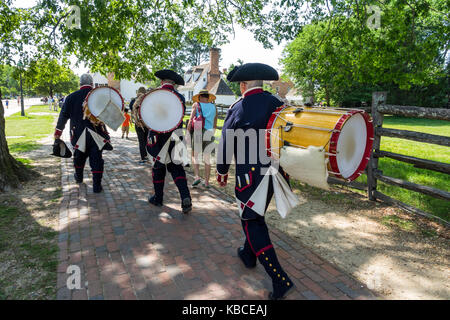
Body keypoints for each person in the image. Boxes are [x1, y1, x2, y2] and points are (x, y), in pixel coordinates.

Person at [216, 63, 295, 300]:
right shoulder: (278, 105)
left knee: (253, 222)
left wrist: (221, 170)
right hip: (275, 172)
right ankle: (248, 255)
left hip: (249, 176)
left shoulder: (238, 107)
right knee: (255, 215)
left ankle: (280, 280)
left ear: (243, 85)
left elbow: (226, 142)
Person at [54, 74, 112, 193]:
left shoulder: (70, 97)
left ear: (79, 84)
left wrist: (58, 132)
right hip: (97, 134)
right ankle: (97, 186)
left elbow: (63, 116)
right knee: (96, 159)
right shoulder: (99, 97)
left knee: (79, 157)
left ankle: (79, 177)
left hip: (78, 133)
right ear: (92, 84)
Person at [146, 69, 192, 214]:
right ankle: (186, 198)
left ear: (162, 82)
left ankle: (158, 199)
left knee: (158, 168)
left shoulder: (153, 96)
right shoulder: (180, 98)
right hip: (175, 138)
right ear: (174, 84)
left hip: (158, 138)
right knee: (177, 169)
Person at [187, 89, 218, 188]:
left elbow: (191, 119)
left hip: (198, 132)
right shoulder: (214, 107)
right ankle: (207, 182)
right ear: (208, 97)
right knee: (207, 158)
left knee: (195, 155)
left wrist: (188, 133)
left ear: (200, 97)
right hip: (209, 132)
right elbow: (215, 123)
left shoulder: (196, 105)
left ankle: (197, 177)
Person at [130, 87, 149, 164]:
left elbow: (132, 110)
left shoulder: (134, 101)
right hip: (147, 123)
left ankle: (143, 157)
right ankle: (148, 155)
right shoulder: (147, 99)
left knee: (141, 141)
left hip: (138, 123)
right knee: (147, 140)